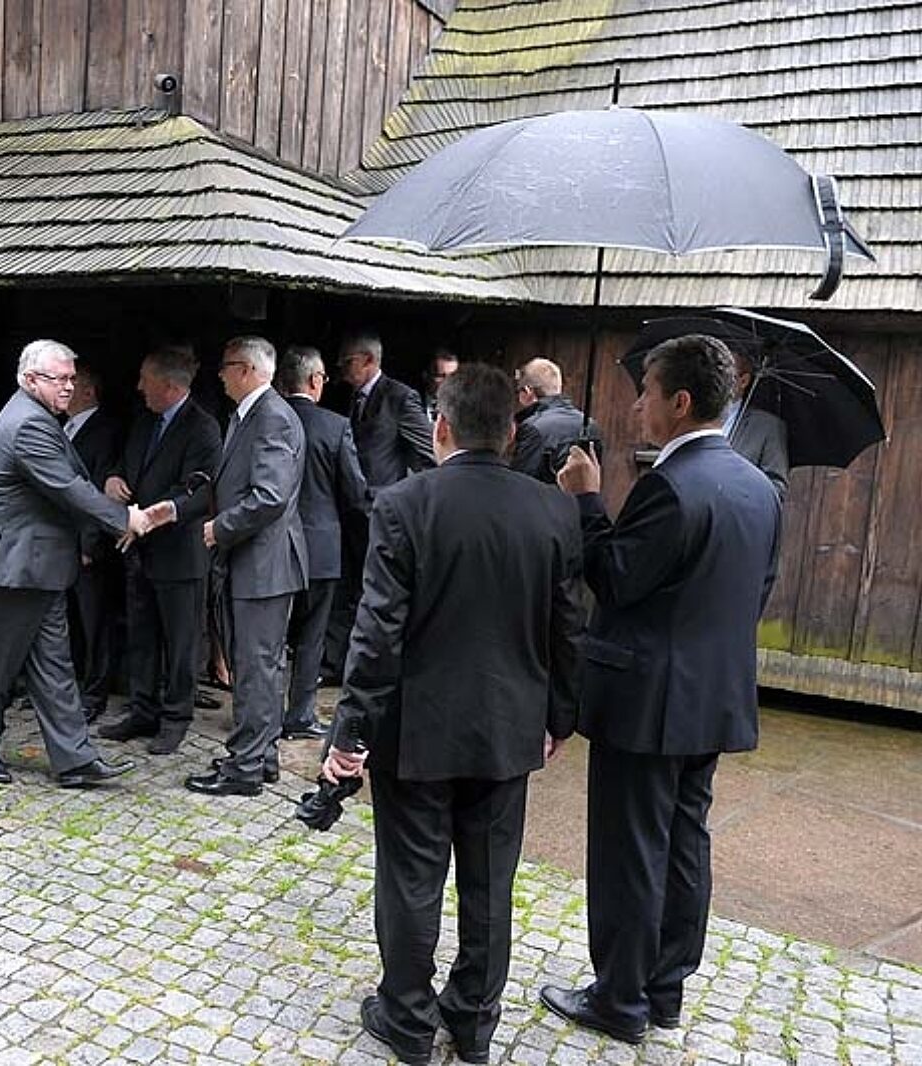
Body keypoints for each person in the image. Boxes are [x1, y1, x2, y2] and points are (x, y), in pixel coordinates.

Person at [323, 363, 585, 1066]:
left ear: (441, 426)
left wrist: (351, 732)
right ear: (511, 432)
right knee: (491, 881)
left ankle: (408, 1020)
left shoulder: (404, 503)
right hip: (508, 724)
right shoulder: (553, 510)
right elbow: (568, 626)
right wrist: (561, 716)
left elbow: (376, 632)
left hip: (418, 729)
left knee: (411, 877)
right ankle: (473, 1022)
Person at [540, 334, 781, 1045]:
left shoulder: (669, 487)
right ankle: (665, 989)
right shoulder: (760, 489)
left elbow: (614, 579)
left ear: (679, 401)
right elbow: (756, 593)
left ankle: (620, 999)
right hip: (713, 697)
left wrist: (586, 501)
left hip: (647, 701)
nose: (635, 405)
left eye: (645, 391)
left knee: (632, 850)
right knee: (684, 844)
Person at [0, 339, 152, 787]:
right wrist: (124, 518)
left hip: (38, 566)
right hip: (13, 568)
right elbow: (68, 487)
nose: (68, 386)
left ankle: (74, 760)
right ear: (30, 379)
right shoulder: (28, 423)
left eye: (71, 378)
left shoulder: (37, 415)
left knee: (54, 667)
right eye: (59, 379)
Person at [186, 336, 307, 797]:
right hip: (257, 562)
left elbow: (270, 496)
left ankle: (245, 768)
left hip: (264, 563)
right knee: (260, 664)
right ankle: (260, 755)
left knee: (255, 666)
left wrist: (222, 527)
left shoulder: (271, 416)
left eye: (225, 366)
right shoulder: (251, 415)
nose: (219, 376)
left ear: (247, 370)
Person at [99, 345, 222, 755]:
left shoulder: (202, 427)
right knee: (142, 636)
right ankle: (143, 710)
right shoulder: (144, 421)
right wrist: (113, 478)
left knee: (182, 642)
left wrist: (155, 515)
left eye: (145, 380)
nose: (138, 387)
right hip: (139, 551)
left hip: (179, 554)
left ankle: (175, 718)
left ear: (169, 386)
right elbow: (124, 464)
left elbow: (200, 491)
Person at [322, 330, 435, 680]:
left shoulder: (400, 397)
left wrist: (404, 504)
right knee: (342, 588)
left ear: (369, 360)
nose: (342, 370)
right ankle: (333, 665)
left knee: (376, 591)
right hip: (345, 511)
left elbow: (427, 456)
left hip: (380, 512)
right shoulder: (345, 397)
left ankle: (372, 668)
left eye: (348, 362)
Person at [278, 345, 366, 741]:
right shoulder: (335, 426)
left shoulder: (266, 421)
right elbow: (354, 493)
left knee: (270, 636)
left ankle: (262, 715)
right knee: (312, 635)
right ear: (315, 380)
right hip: (320, 546)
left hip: (272, 544)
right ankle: (299, 714)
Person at [65, 361, 125, 721]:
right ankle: (69, 685)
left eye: (72, 383)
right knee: (68, 621)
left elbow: (98, 492)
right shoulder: (64, 428)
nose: (64, 389)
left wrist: (89, 545)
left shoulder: (105, 430)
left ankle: (95, 692)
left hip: (89, 548)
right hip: (60, 544)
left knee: (95, 624)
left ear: (88, 391)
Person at [511, 357, 603, 482]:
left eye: (518, 392)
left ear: (528, 391)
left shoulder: (533, 427)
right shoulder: (590, 425)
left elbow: (520, 480)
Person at [725, 353, 790, 500]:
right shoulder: (694, 415)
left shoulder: (767, 427)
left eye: (725, 376)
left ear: (743, 381)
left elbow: (776, 488)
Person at [421, 348, 459, 421]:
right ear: (425, 375)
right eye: (441, 376)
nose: (449, 382)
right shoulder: (409, 403)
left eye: (453, 376)